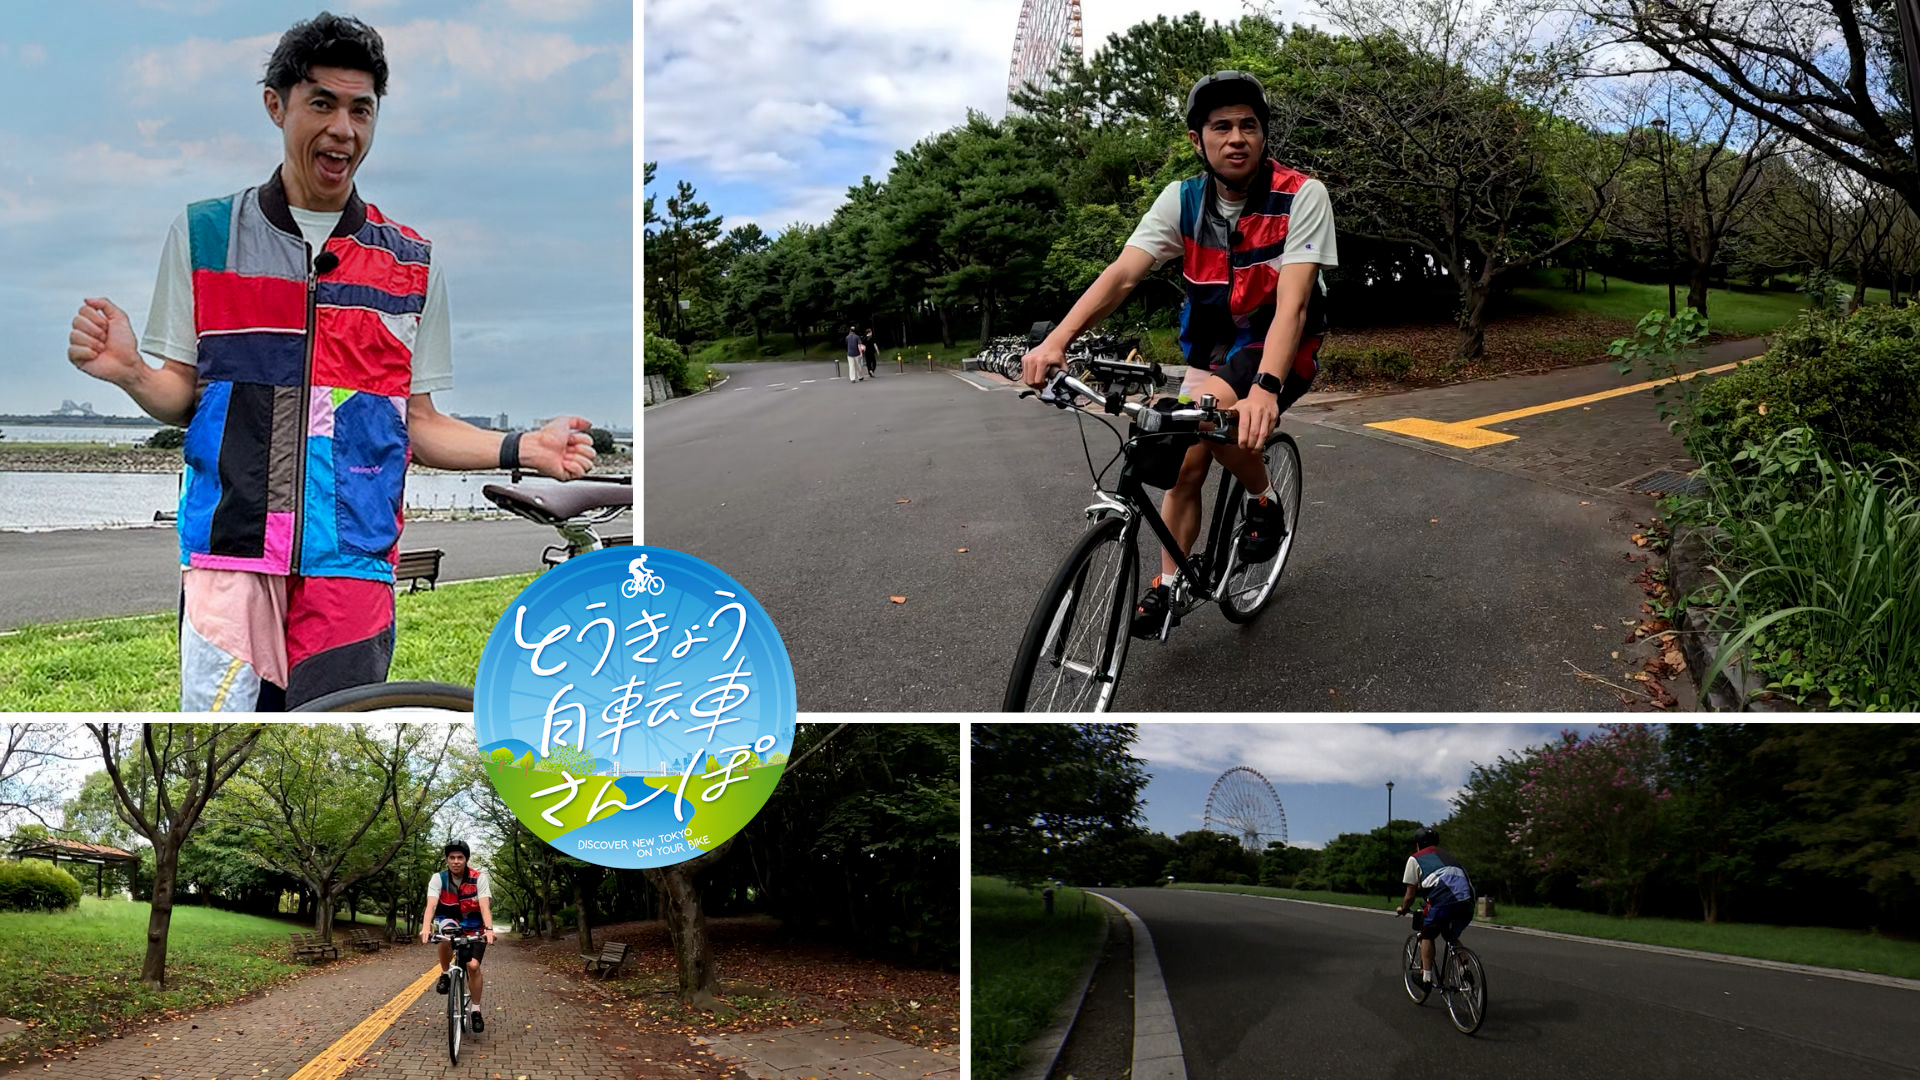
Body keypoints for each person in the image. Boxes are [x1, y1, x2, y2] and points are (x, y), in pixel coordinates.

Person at [64, 13, 598, 711]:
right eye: (322, 103)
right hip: (232, 554)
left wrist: (520, 445)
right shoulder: (205, 234)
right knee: (228, 740)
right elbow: (183, 394)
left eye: (361, 109)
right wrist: (132, 372)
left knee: (340, 721)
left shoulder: (410, 264)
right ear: (276, 104)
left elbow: (420, 424)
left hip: (352, 563)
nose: (343, 128)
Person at [1020, 71, 1338, 638]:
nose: (1236, 137)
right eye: (1221, 127)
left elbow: (1291, 304)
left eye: (1249, 125)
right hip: (1212, 346)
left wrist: (1265, 387)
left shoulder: (1302, 195)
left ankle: (1263, 500)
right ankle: (1168, 585)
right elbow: (1121, 277)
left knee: (1215, 423)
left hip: (1277, 345)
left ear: (1264, 136)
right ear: (1198, 141)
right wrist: (1056, 341)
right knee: (1180, 461)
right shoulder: (1182, 201)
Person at [420, 839, 497, 1031]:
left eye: (460, 857)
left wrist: (489, 929)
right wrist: (426, 927)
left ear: (466, 859)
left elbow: (484, 906)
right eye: (452, 857)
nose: (456, 861)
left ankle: (476, 1011)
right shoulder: (438, 879)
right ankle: (445, 973)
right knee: (445, 936)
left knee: (473, 966)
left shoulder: (479, 878)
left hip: (475, 924)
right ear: (447, 860)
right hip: (450, 919)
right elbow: (431, 905)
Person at [1394, 826, 1475, 987]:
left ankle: (1426, 978)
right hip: (1468, 903)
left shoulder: (1415, 858)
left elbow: (1410, 895)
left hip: (1445, 902)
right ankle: (1464, 969)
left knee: (1427, 935)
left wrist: (1403, 909)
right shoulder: (1449, 857)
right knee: (1450, 936)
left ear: (1417, 844)